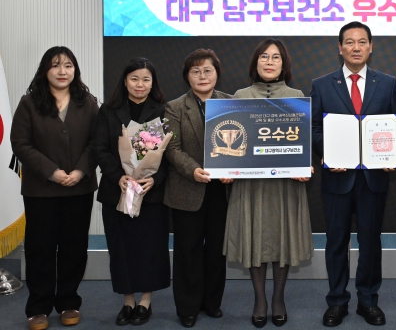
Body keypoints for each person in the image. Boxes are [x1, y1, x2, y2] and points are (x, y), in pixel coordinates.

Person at [310, 21, 396, 327]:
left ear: (371, 46)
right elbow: (313, 128)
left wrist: (395, 153)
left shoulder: (387, 83)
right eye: (349, 42)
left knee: (370, 242)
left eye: (362, 42)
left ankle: (368, 301)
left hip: (373, 179)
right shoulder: (321, 85)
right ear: (340, 48)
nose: (355, 47)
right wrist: (328, 152)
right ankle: (337, 301)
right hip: (337, 178)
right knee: (336, 241)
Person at [223, 39, 314, 328]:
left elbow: (303, 142)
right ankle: (260, 299)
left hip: (286, 184)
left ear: (284, 64)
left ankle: (278, 299)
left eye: (276, 57)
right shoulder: (240, 96)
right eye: (264, 56)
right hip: (251, 186)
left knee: (282, 238)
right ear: (256, 62)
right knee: (255, 238)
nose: (270, 61)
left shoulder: (296, 96)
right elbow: (230, 138)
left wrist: (305, 165)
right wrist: (225, 168)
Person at [10, 47, 99, 330]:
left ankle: (69, 302)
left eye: (68, 65)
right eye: (55, 65)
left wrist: (81, 170)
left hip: (79, 188)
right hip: (41, 190)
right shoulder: (29, 102)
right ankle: (38, 308)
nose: (62, 71)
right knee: (40, 249)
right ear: (44, 70)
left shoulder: (88, 102)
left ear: (75, 70)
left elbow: (97, 142)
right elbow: (20, 143)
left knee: (74, 248)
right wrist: (52, 172)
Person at [93, 57, 171, 326]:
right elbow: (99, 148)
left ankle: (146, 301)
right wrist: (119, 176)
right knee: (121, 248)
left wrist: (155, 179)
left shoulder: (163, 111)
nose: (140, 84)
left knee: (150, 248)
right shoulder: (108, 110)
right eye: (134, 78)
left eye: (146, 79)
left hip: (151, 194)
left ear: (153, 83)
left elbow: (169, 154)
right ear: (125, 81)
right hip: (117, 190)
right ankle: (128, 301)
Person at [164, 49, 233, 328]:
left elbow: (244, 143)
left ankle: (212, 302)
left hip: (222, 191)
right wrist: (193, 169)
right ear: (187, 76)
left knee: (217, 250)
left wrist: (233, 172)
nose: (202, 76)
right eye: (195, 71)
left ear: (217, 73)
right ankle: (188, 307)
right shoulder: (174, 107)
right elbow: (172, 148)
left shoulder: (232, 103)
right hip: (187, 188)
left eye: (208, 70)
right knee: (187, 250)